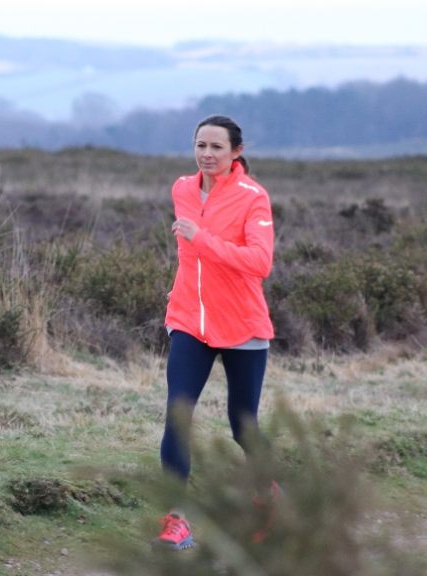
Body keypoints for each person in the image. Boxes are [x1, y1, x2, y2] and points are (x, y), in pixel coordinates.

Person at [154, 115, 277, 550]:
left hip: (242, 324)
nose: (206, 154)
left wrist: (202, 238)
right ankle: (176, 519)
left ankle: (268, 497)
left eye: (216, 148)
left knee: (242, 424)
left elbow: (260, 262)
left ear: (236, 153)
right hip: (190, 320)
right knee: (178, 414)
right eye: (200, 145)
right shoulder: (182, 189)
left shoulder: (253, 197)